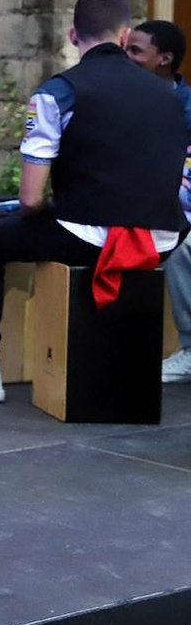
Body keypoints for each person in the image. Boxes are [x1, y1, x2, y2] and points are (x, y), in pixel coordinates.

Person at [0, 0, 187, 404]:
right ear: (125, 34)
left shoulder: (60, 91)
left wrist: (46, 207)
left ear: (72, 34)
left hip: (93, 232)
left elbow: (29, 198)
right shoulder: (170, 97)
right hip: (162, 239)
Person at [123, 20, 191, 383]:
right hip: (134, 202)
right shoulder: (121, 95)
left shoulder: (186, 109)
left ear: (165, 59)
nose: (126, 57)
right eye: (126, 49)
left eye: (136, 51)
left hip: (175, 210)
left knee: (182, 245)